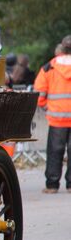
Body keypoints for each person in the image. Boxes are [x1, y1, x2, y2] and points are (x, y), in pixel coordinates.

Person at [34, 35, 71, 194]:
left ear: (61, 49)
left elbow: (39, 91)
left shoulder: (49, 67)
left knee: (55, 151)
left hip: (57, 117)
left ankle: (52, 185)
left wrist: (45, 106)